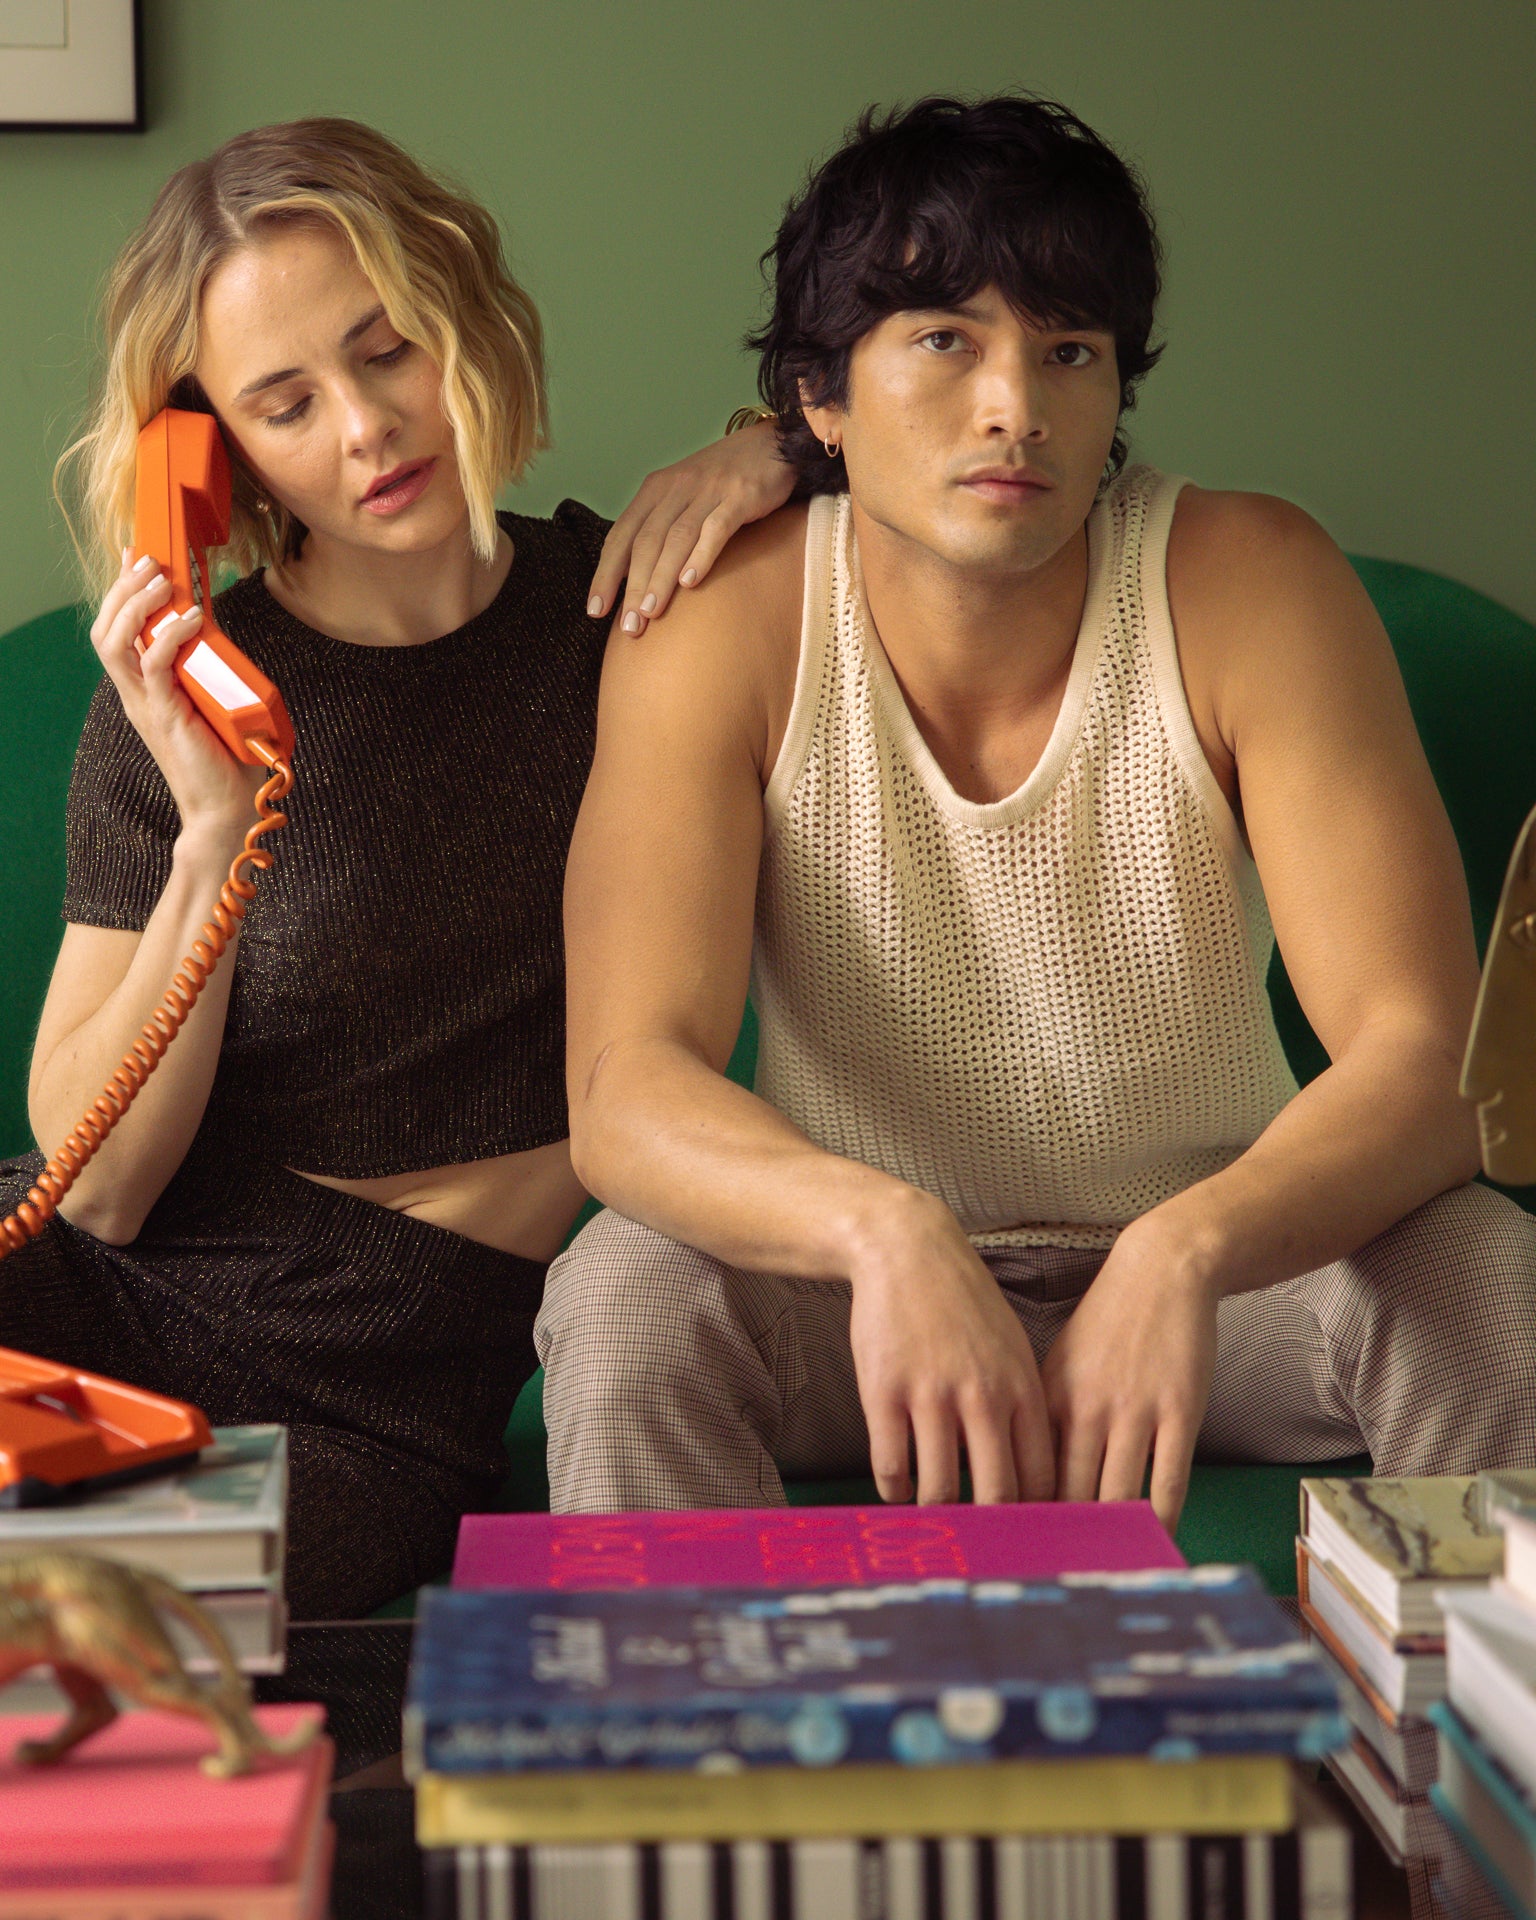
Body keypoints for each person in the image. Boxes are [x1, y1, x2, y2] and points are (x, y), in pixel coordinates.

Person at [545, 95, 1536, 1526]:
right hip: (849, 1293)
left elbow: (1427, 1054)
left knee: (1473, 1263)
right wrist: (882, 1232)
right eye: (944, 341)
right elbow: (626, 1091)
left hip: (1232, 1279)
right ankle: (673, 1745)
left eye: (1069, 351)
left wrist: (1183, 1252)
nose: (1017, 405)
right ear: (817, 401)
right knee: (628, 1295)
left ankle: (1481, 1739)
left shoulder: (1249, 577)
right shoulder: (723, 626)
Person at [0, 118, 794, 1618]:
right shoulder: (180, 702)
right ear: (213, 447)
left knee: (127, 1608)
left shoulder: (635, 620)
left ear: (465, 322)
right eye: (285, 402)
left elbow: (910, 460)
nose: (366, 427)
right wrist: (215, 827)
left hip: (376, 1385)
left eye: (389, 350)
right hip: (93, 1289)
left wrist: (775, 449)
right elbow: (97, 1193)